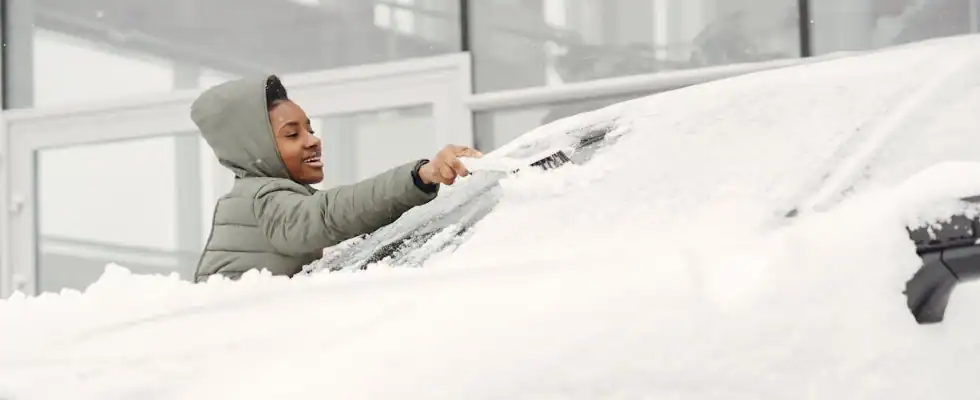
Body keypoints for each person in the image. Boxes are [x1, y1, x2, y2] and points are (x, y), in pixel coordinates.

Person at [190, 74, 482, 282]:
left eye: (310, 130)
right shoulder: (263, 200)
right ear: (254, 147)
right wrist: (421, 175)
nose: (312, 141)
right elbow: (331, 215)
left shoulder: (271, 198)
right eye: (292, 134)